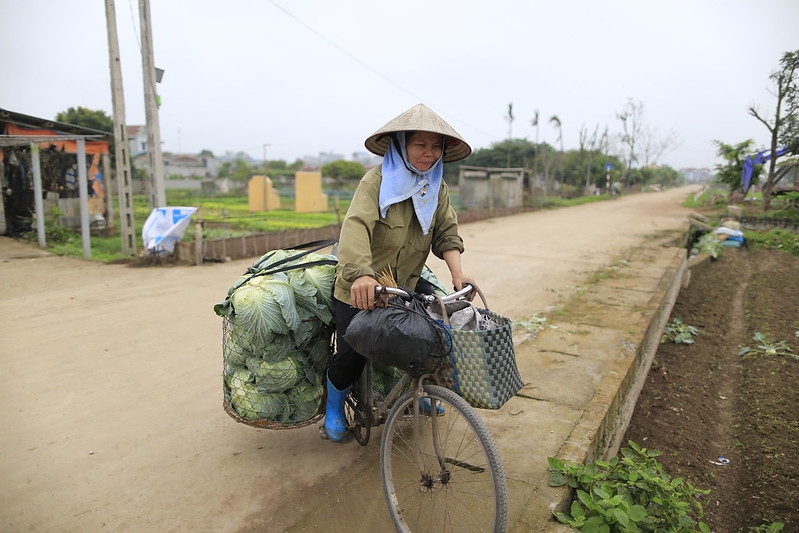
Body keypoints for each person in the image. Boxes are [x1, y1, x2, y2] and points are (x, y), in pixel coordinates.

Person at [324, 103, 475, 442]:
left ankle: (417, 394)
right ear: (401, 145)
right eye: (421, 144)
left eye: (436, 146)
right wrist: (362, 275)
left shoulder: (437, 188)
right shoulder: (376, 181)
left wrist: (458, 276)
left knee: (433, 329)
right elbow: (356, 227)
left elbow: (447, 234)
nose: (430, 153)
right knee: (355, 349)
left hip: (403, 280)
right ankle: (332, 408)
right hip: (360, 282)